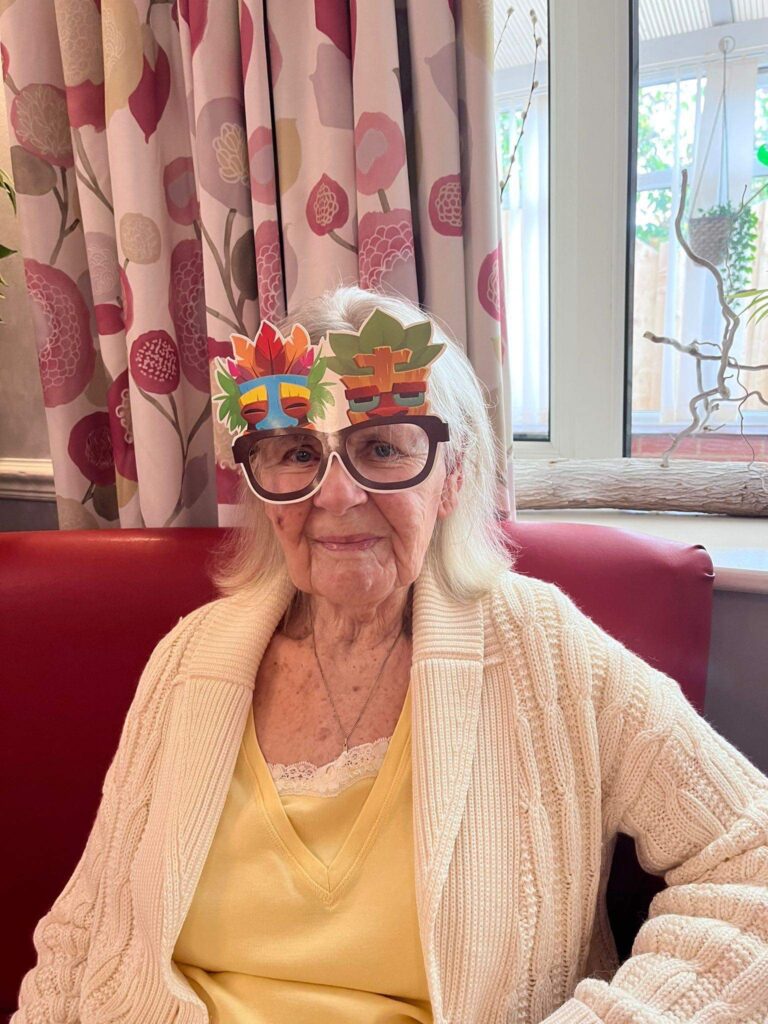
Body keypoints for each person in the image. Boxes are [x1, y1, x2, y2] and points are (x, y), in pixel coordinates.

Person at [12, 286, 768, 1024]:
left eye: (380, 447)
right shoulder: (190, 659)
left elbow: (751, 857)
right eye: (297, 452)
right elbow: (86, 930)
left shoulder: (547, 653)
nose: (336, 496)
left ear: (453, 477)